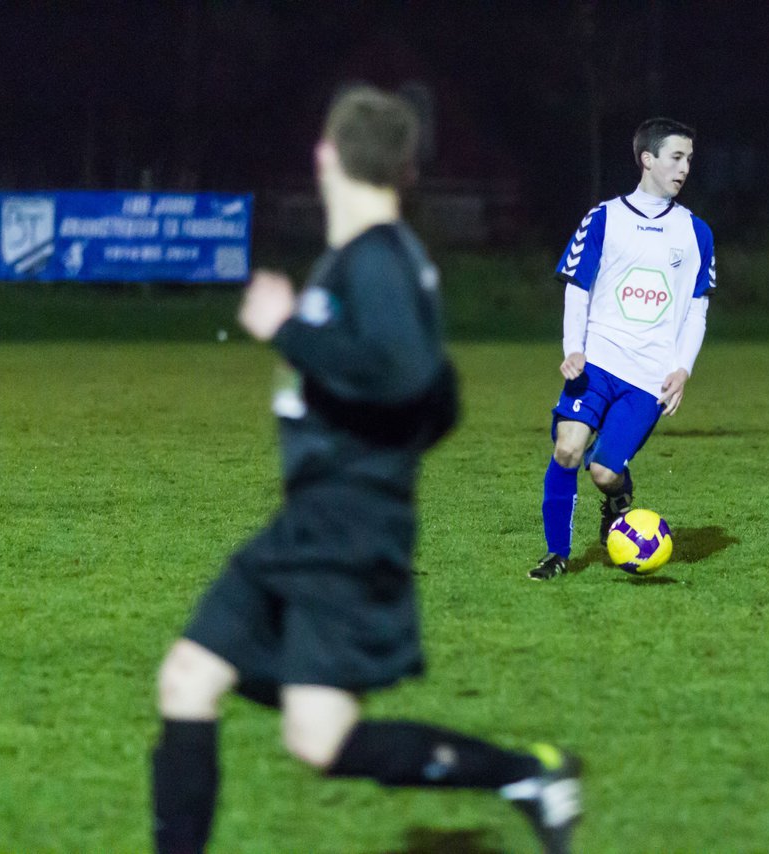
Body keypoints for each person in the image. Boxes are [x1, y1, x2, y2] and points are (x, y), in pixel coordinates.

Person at [150, 85, 581, 854]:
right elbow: (438, 399)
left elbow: (408, 375)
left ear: (325, 155)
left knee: (307, 734)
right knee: (193, 680)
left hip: (346, 533)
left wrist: (287, 330)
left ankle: (526, 775)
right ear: (406, 170)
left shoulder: (378, 260)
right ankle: (530, 776)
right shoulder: (369, 259)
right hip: (313, 522)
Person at [528, 117, 716, 580]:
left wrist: (683, 370)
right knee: (568, 450)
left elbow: (696, 309)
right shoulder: (604, 218)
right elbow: (578, 287)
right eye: (676, 157)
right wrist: (574, 348)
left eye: (689, 159)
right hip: (596, 364)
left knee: (604, 472)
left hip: (648, 378)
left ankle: (617, 498)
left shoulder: (696, 233)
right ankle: (557, 553)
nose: (685, 167)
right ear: (647, 159)